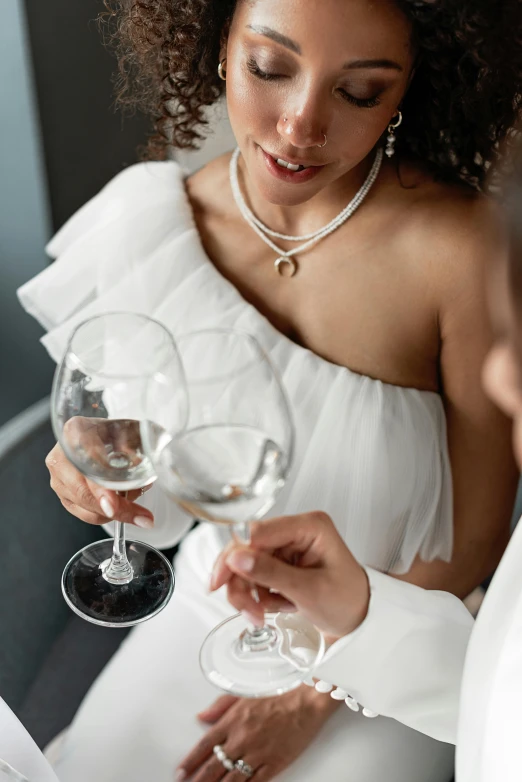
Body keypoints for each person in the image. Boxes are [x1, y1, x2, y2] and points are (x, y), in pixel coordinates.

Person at [16, 0, 522, 780]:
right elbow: (160, 489)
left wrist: (317, 687)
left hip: (391, 655)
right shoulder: (166, 225)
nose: (300, 127)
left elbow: (477, 541)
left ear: (409, 89)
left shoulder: (458, 257)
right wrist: (96, 483)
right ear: (219, 47)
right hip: (208, 612)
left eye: (358, 93)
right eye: (270, 68)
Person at [210, 136, 522, 782]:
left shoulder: (456, 250)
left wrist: (315, 690)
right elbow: (496, 702)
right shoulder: (187, 209)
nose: (501, 376)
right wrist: (359, 616)